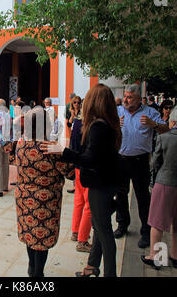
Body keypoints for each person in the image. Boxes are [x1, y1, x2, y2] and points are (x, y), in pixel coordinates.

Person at [42, 84, 123, 277]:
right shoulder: (110, 124)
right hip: (106, 182)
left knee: (104, 232)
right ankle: (92, 266)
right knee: (99, 226)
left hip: (99, 184)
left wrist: (63, 152)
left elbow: (90, 160)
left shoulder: (97, 126)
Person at [13, 107, 74, 277]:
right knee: (42, 238)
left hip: (24, 197)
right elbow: (70, 173)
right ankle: (38, 273)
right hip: (46, 201)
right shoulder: (51, 148)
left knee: (30, 235)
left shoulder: (20, 144)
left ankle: (32, 268)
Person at [141, 105, 177, 270]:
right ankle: (175, 256)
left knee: (158, 222)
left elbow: (155, 163)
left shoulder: (164, 138)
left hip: (164, 183)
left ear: (172, 121)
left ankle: (156, 257)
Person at [114, 84, 169, 249]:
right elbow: (107, 127)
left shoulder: (150, 113)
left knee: (143, 197)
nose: (126, 99)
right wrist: (115, 124)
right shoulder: (118, 111)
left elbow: (166, 129)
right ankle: (122, 225)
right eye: (125, 96)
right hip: (121, 160)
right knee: (120, 195)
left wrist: (153, 124)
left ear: (139, 98)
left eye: (130, 97)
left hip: (140, 161)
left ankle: (146, 231)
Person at [66, 95, 92, 252]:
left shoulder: (76, 122)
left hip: (78, 165)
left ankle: (76, 232)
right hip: (86, 166)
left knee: (79, 201)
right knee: (88, 204)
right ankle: (82, 240)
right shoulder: (88, 124)